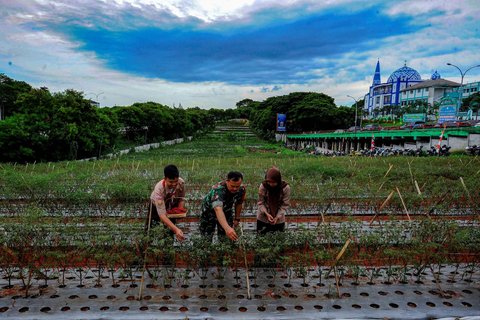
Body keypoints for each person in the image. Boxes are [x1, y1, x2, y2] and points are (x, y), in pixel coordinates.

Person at [199, 171, 246, 241]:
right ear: (227, 181)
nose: (235, 189)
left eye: (237, 186)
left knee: (226, 238)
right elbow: (218, 209)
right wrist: (227, 228)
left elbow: (239, 202)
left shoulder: (241, 189)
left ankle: (224, 250)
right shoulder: (218, 190)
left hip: (226, 210)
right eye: (232, 186)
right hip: (209, 212)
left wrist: (237, 218)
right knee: (207, 237)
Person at [147, 164, 186, 241]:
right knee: (152, 226)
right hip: (156, 205)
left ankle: (168, 245)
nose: (174, 184)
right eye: (171, 182)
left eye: (176, 181)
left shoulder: (181, 183)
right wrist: (176, 230)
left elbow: (181, 199)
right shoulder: (159, 189)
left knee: (170, 228)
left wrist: (179, 212)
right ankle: (148, 245)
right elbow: (162, 215)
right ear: (165, 179)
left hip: (171, 203)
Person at [257, 167, 290, 234]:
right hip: (263, 219)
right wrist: (266, 214)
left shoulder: (285, 188)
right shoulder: (263, 186)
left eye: (274, 182)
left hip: (279, 220)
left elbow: (284, 204)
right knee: (262, 240)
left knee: (278, 240)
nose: (271, 184)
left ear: (278, 180)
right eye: (269, 182)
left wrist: (277, 217)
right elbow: (261, 202)